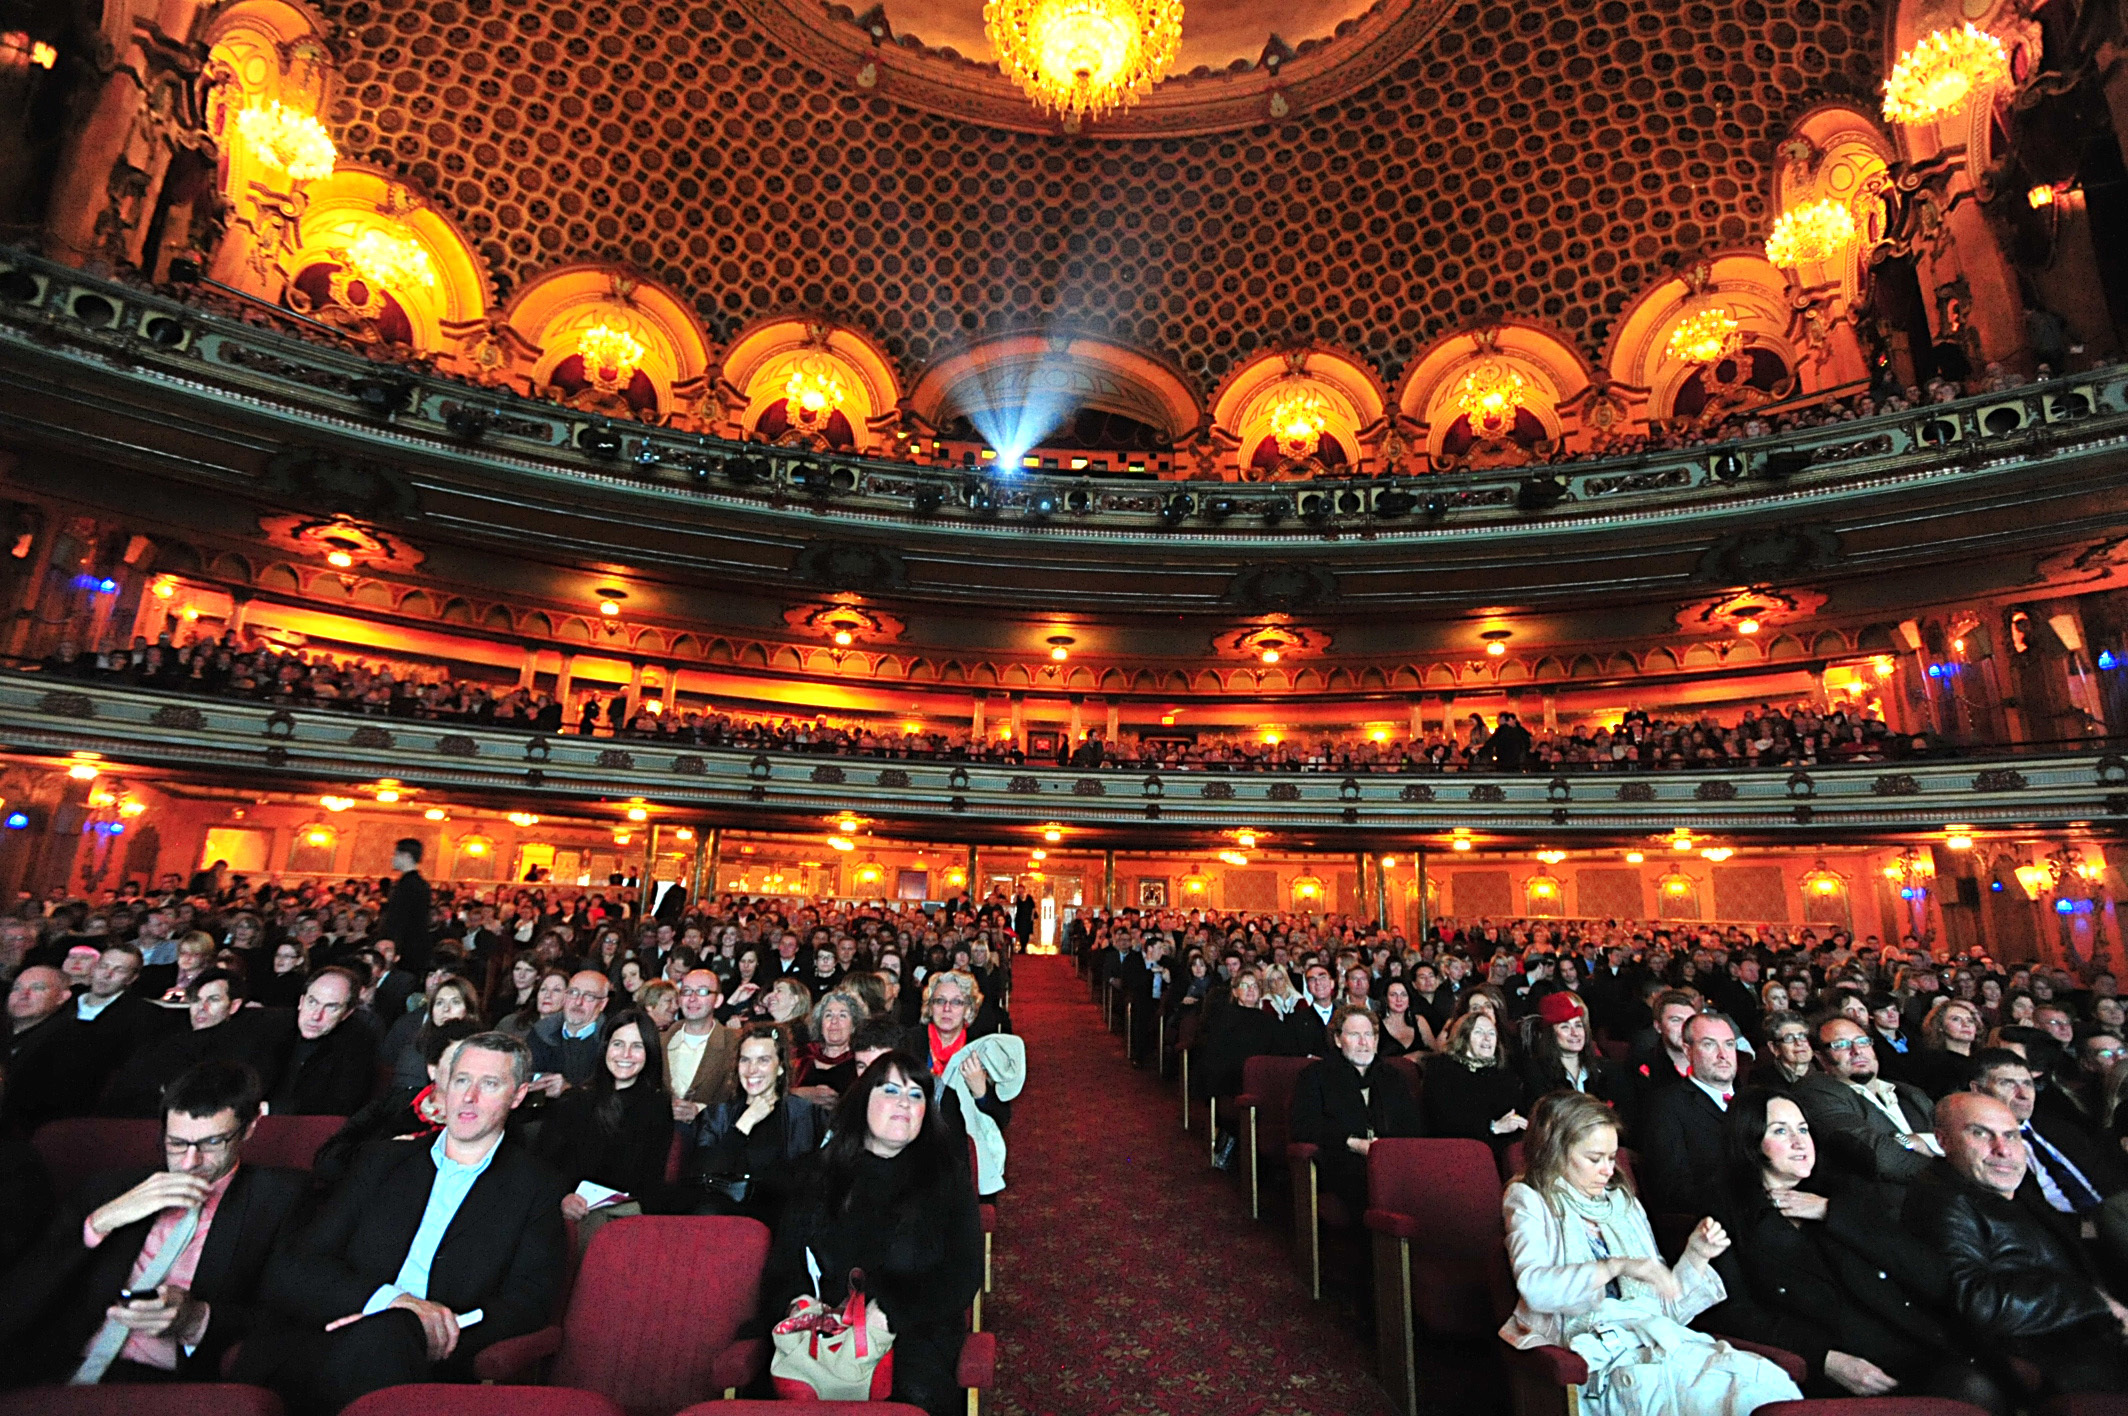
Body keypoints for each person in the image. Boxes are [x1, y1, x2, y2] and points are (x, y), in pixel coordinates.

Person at [237, 1031, 568, 1416]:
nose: (469, 1097)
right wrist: (388, 1302)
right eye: (461, 1080)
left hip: (430, 1358)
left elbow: (528, 1303)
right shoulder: (382, 1160)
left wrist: (432, 1327)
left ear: (518, 1095)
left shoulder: (535, 1186)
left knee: (391, 1337)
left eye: (489, 1084)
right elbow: (298, 1265)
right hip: (334, 1328)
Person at [0, 1060, 307, 1387]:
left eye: (212, 1143)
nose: (190, 1163)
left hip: (172, 1384)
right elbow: (22, 1293)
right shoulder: (110, 1189)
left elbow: (292, 1317)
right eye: (176, 1144)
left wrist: (197, 1320)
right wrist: (100, 1222)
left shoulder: (282, 1199)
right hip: (56, 1367)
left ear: (249, 1128)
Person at [1499, 1091, 1802, 1416]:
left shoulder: (1621, 1201)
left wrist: (1696, 1255)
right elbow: (1535, 1287)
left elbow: (1665, 1307)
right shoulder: (1529, 1197)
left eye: (1612, 1157)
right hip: (1600, 1355)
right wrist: (1615, 1266)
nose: (1607, 1169)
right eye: (1594, 1158)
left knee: (1770, 1385)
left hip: (1657, 1339)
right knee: (1732, 1400)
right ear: (1555, 1152)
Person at [1709, 1090, 1992, 1404]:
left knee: (1978, 1386)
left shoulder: (1845, 1193)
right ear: (1751, 1142)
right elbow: (1734, 1314)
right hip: (1833, 1368)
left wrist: (1832, 1213)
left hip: (1914, 1342)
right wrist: (1826, 1359)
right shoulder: (1729, 1218)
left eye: (1803, 1129)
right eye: (1780, 1131)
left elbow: (1928, 1274)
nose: (1800, 1141)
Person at [766, 1051, 983, 1416]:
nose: (904, 1102)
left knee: (914, 1394)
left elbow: (963, 1274)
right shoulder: (820, 1171)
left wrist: (890, 1313)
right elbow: (785, 1263)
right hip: (823, 1331)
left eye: (917, 1095)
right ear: (863, 1100)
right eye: (891, 1090)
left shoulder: (946, 1178)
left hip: (913, 1332)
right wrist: (799, 1302)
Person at [1903, 1091, 2128, 1398]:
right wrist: (2093, 1301)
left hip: (2094, 1340)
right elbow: (1975, 1300)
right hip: (2052, 1359)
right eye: (1980, 1133)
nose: (2003, 1150)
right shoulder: (1944, 1201)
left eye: (2011, 1136)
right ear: (1943, 1141)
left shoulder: (2009, 1189)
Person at [1967, 1047, 2128, 1275]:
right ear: (1978, 1089)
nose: (2023, 1094)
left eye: (2028, 1084)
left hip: (2112, 1215)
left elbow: (2109, 1174)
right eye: (2008, 1084)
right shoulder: (1983, 1148)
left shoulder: (2058, 1126)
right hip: (2066, 1241)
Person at [532, 1008, 672, 1237]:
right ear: (605, 1047)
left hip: (619, 1213)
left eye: (637, 1046)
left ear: (650, 1052)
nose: (625, 1054)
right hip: (564, 1204)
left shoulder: (657, 1106)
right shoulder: (574, 1100)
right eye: (618, 1044)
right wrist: (563, 1197)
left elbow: (648, 1179)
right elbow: (543, 1164)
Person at [1289, 1005, 1424, 1220]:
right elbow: (1305, 1126)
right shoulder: (1315, 1076)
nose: (1363, 1042)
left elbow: (1412, 1126)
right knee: (1372, 1184)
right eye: (1354, 1035)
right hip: (1341, 1159)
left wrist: (1387, 1149)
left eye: (1368, 1034)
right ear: (1337, 1040)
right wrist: (1354, 1142)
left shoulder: (1393, 1076)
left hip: (1393, 1157)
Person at [681, 1022, 821, 1221]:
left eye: (763, 1060)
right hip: (725, 1217)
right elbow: (705, 1174)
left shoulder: (804, 1114)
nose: (752, 1069)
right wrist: (745, 1123)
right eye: (745, 1060)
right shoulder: (717, 1115)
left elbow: (809, 1180)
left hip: (781, 1217)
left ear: (780, 1067)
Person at [100, 969, 269, 1117]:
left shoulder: (242, 1047)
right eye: (196, 999)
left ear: (234, 1006)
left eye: (213, 999)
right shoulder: (164, 1040)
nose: (202, 1007)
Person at [1792, 1015, 1939, 1186]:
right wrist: (1943, 1171)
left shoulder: (1910, 1093)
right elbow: (1879, 1157)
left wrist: (1907, 1141)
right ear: (1821, 1058)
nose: (1857, 1050)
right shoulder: (1816, 1091)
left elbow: (1953, 1140)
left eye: (1862, 1041)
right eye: (1841, 1045)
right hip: (1885, 1204)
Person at [1640, 1012, 1742, 1215]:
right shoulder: (1665, 1106)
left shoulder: (1753, 1098)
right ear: (1688, 1051)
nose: (1723, 1054)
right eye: (1709, 1044)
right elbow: (1671, 1189)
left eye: (1729, 1044)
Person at [262, 967, 377, 1116]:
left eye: (331, 1007)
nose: (316, 1015)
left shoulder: (359, 1041)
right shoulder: (272, 1025)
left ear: (346, 1013)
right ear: (301, 1002)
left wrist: (272, 1109)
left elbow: (341, 1106)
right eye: (312, 1002)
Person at [1424, 1011, 1526, 1145]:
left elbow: (1516, 1111)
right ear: (1463, 1037)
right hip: (1458, 1148)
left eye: (1491, 1033)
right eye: (1479, 1032)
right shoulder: (1441, 1069)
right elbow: (1445, 1122)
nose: (1487, 1038)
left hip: (1503, 1146)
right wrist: (1493, 1127)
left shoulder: (1504, 1072)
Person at [664, 968, 739, 1124]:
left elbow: (740, 1101)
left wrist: (701, 1110)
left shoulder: (735, 1044)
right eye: (686, 991)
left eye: (702, 991)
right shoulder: (661, 1041)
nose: (692, 998)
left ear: (718, 1000)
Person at [380, 975, 480, 1090]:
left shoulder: (481, 1051)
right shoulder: (413, 1051)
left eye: (455, 1002)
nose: (446, 1009)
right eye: (439, 1003)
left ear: (470, 1008)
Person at [1519, 990, 1616, 1105]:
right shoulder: (1537, 1075)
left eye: (1578, 1025)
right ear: (1550, 1035)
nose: (1575, 1033)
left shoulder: (1604, 1068)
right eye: (1565, 1027)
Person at [528, 969, 611, 1093]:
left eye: (589, 996)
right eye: (573, 992)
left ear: (602, 1004)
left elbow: (609, 1093)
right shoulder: (542, 1031)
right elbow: (524, 1075)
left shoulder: (611, 1039)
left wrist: (568, 1089)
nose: (578, 1002)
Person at [793, 989, 865, 1103]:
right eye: (828, 1015)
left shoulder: (861, 1061)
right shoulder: (801, 1055)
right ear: (820, 1026)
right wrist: (800, 1093)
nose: (834, 1021)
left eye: (842, 1015)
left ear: (854, 1026)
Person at [375, 839, 434, 975]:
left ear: (406, 856)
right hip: (412, 947)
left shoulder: (408, 885)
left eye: (396, 854)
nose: (392, 858)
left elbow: (398, 920)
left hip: (406, 949)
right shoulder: (417, 883)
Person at [1283, 962, 1339, 1058]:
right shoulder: (1295, 1021)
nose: (1318, 983)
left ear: (1332, 983)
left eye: (1323, 977)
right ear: (1308, 988)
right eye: (1312, 980)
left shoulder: (1346, 1017)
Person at [1760, 1012, 1815, 1090]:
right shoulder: (1764, 1084)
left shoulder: (1825, 1073)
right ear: (1774, 1048)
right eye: (1789, 1038)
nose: (1799, 1043)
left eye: (1802, 1036)